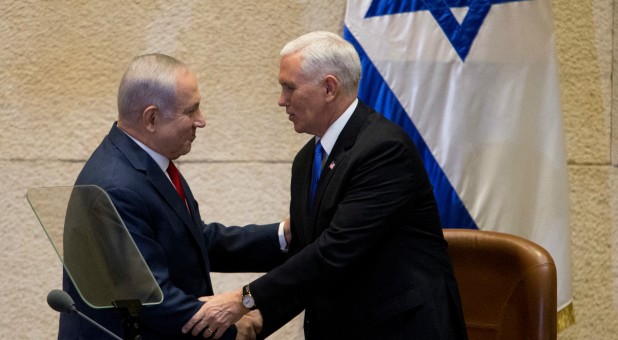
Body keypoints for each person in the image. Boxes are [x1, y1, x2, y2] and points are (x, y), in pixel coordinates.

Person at [182, 32, 468, 339]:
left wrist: (244, 299)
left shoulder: (384, 150)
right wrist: (261, 319)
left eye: (288, 87)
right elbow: (309, 255)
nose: (281, 100)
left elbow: (334, 252)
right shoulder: (307, 160)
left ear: (329, 88)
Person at [59, 53, 288, 340]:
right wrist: (230, 329)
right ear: (152, 118)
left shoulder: (148, 163)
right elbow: (150, 298)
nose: (201, 121)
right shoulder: (117, 186)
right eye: (191, 111)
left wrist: (281, 236)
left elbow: (193, 241)